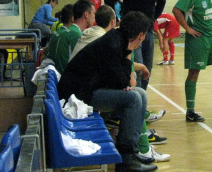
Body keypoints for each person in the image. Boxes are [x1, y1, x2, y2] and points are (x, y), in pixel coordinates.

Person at [56, 11, 158, 172]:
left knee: (141, 94)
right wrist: (130, 50)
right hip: (77, 97)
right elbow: (122, 81)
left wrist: (123, 76)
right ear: (141, 35)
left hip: (86, 89)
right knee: (133, 99)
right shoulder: (114, 44)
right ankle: (125, 160)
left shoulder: (116, 38)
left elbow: (119, 79)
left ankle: (133, 151)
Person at [104, 0, 166, 90]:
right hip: (131, 34)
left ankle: (142, 100)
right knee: (136, 66)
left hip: (148, 32)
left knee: (147, 68)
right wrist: (118, 19)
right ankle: (136, 102)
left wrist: (153, 18)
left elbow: (162, 2)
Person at [45, 0, 95, 73]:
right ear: (86, 14)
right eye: (94, 13)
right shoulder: (76, 34)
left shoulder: (63, 32)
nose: (95, 16)